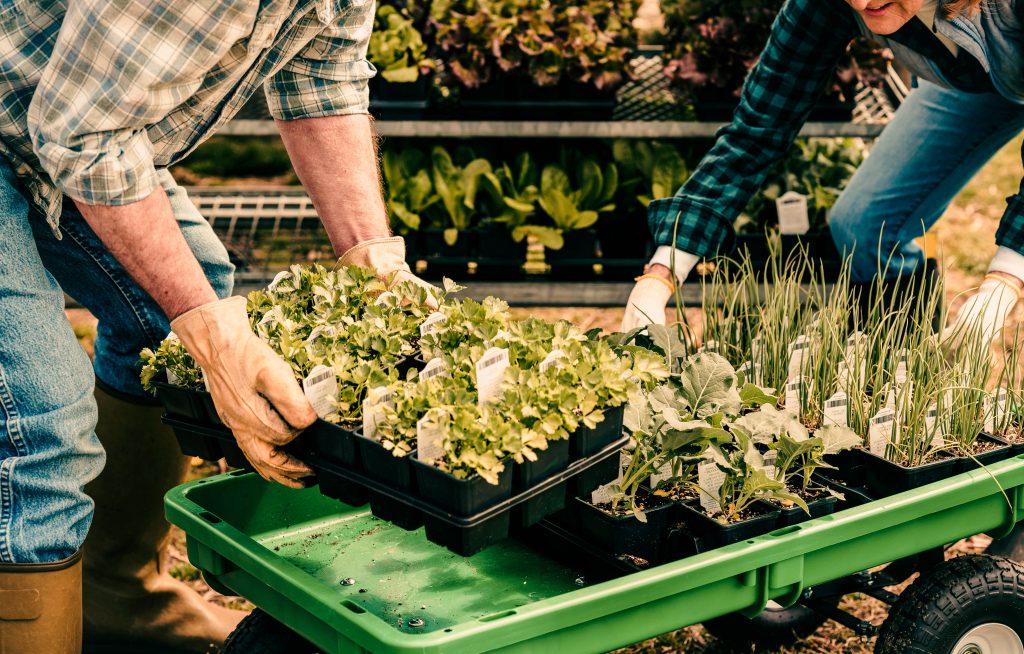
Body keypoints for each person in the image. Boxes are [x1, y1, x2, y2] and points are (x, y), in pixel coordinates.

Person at [0, 1, 434, 652]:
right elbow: (85, 139)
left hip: (38, 115)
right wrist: (208, 331)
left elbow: (324, 74)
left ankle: (115, 598)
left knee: (172, 313)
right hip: (51, 124)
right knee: (43, 428)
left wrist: (374, 256)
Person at [622, 0, 1024, 345]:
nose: (864, 1)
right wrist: (659, 276)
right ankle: (901, 377)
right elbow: (757, 129)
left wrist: (1004, 280)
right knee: (865, 224)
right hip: (970, 84)